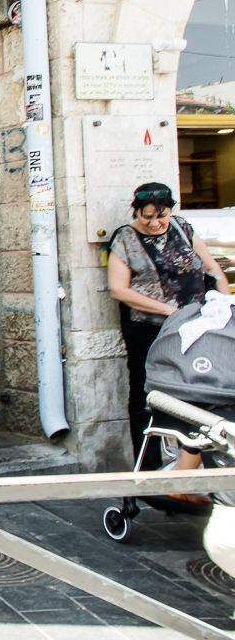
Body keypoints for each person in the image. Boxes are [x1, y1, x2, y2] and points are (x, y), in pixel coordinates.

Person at [108, 182, 230, 470]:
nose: (154, 223)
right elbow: (119, 290)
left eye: (160, 216)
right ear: (136, 212)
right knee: (147, 393)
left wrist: (226, 306)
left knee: (198, 389)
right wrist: (171, 311)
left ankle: (190, 465)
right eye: (146, 216)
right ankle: (148, 467)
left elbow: (211, 268)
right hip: (149, 328)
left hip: (194, 327)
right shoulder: (125, 238)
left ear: (171, 210)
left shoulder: (182, 228)